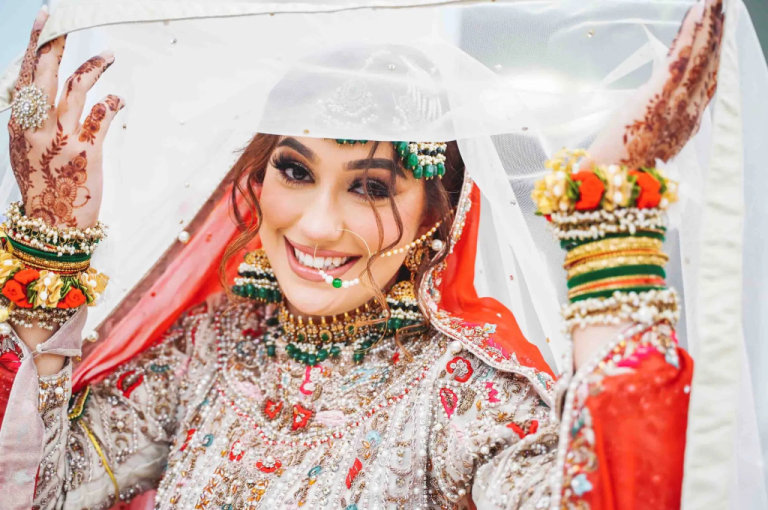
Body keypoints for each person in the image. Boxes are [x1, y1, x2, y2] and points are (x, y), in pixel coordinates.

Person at [0, 1, 724, 508]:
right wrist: (49, 238)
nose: (317, 225)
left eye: (371, 186)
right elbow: (34, 490)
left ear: (437, 213)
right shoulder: (211, 345)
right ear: (255, 177)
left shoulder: (463, 392)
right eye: (294, 170)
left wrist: (609, 218)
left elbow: (610, 494)